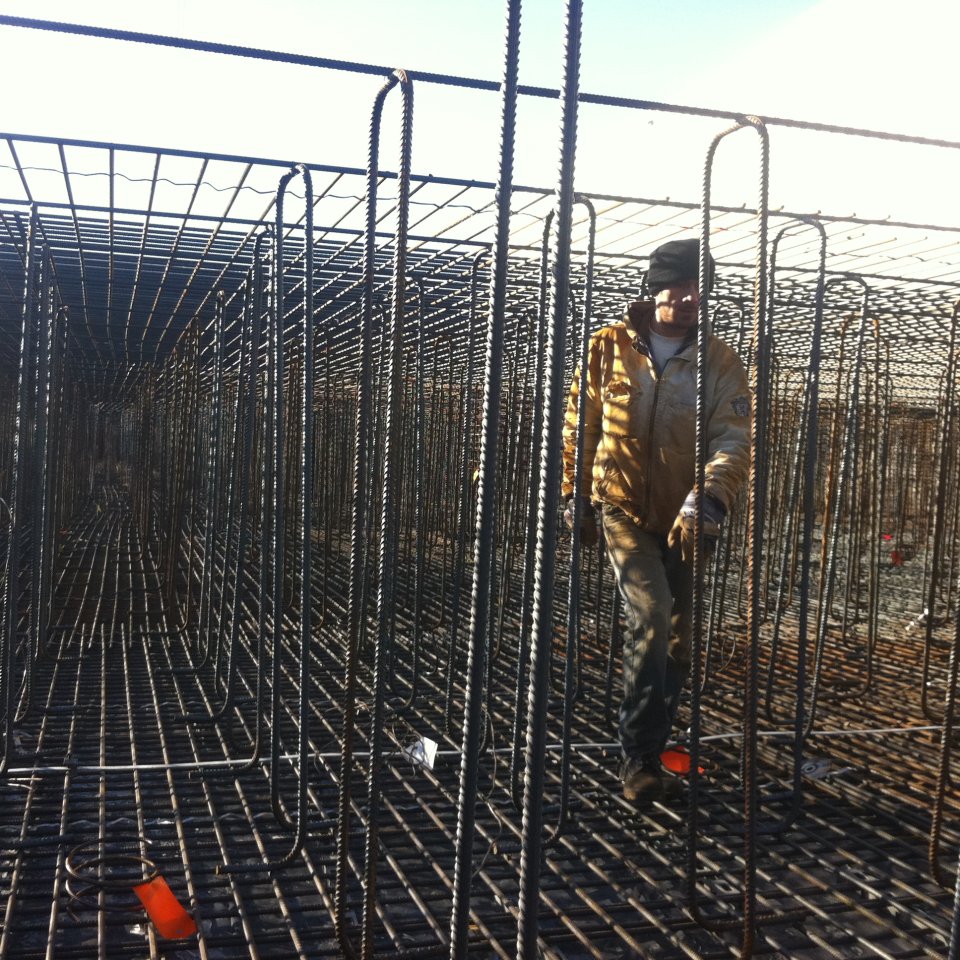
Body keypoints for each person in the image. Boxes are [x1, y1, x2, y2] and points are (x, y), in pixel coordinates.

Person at [561, 237, 751, 803]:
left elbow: (733, 437)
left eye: (698, 287)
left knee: (678, 639)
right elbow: (579, 423)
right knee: (652, 610)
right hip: (620, 505)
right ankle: (639, 754)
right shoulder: (608, 347)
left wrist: (709, 496)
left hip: (687, 515)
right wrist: (572, 491)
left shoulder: (719, 360)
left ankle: (654, 739)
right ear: (655, 288)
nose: (689, 297)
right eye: (678, 285)